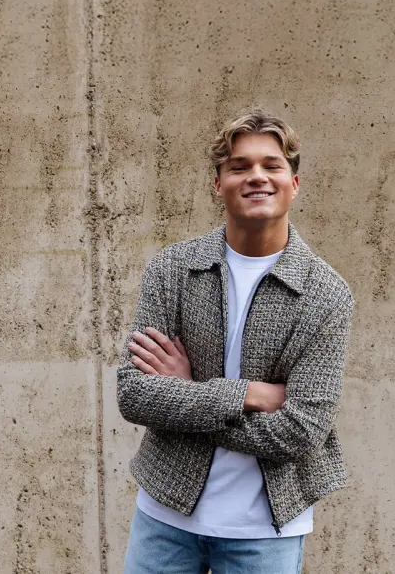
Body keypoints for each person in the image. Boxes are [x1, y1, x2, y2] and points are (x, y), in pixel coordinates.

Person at [116, 111, 354, 573]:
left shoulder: (326, 294)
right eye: (240, 166)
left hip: (265, 531)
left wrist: (188, 393)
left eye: (271, 165)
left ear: (294, 183)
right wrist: (249, 394)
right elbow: (135, 394)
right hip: (164, 518)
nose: (256, 176)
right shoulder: (173, 270)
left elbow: (303, 431)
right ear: (218, 183)